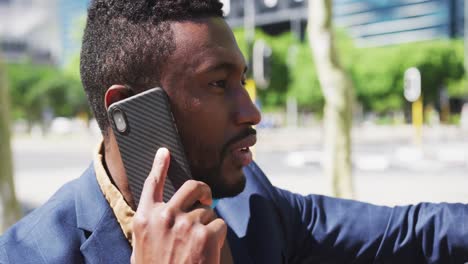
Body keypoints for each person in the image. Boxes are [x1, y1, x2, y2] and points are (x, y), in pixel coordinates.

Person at [1, 0, 468, 263]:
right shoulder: (27, 256)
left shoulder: (255, 208)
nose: (252, 112)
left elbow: (417, 233)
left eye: (242, 81)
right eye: (219, 83)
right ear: (128, 108)